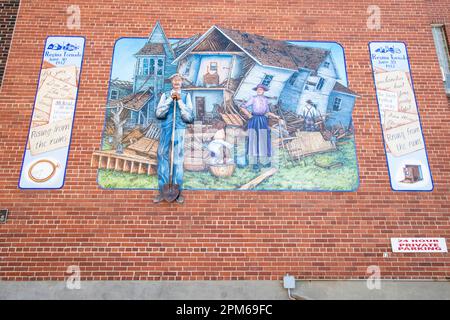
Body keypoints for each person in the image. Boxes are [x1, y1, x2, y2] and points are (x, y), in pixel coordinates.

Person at [154, 73, 194, 204]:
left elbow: (189, 117)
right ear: (171, 82)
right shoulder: (165, 95)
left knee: (178, 157)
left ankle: (177, 191)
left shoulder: (187, 96)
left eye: (179, 80)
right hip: (166, 127)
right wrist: (170, 100)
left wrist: (180, 102)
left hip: (179, 128)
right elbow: (159, 114)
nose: (176, 82)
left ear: (182, 82)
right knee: (161, 154)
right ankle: (163, 190)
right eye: (174, 80)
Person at [240, 84, 279, 171]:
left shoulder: (265, 100)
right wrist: (249, 115)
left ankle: (265, 161)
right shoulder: (253, 98)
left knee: (264, 140)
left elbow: (267, 112)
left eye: (260, 89)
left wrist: (276, 116)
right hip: (254, 120)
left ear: (263, 91)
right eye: (258, 89)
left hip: (263, 120)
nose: (259, 90)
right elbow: (243, 107)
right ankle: (255, 163)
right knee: (254, 140)